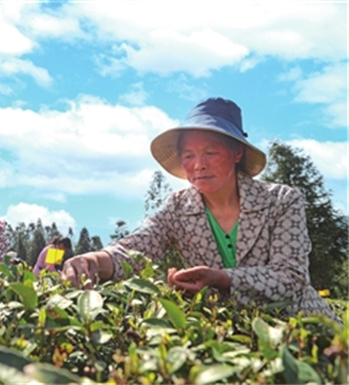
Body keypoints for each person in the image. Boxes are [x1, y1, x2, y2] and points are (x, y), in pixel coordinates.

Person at [61, 97, 338, 321]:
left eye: (210, 153)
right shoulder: (178, 208)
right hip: (233, 338)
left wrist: (221, 279)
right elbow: (136, 249)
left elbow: (290, 278)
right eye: (188, 156)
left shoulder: (280, 200)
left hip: (303, 331)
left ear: (237, 153)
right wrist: (95, 260)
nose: (198, 165)